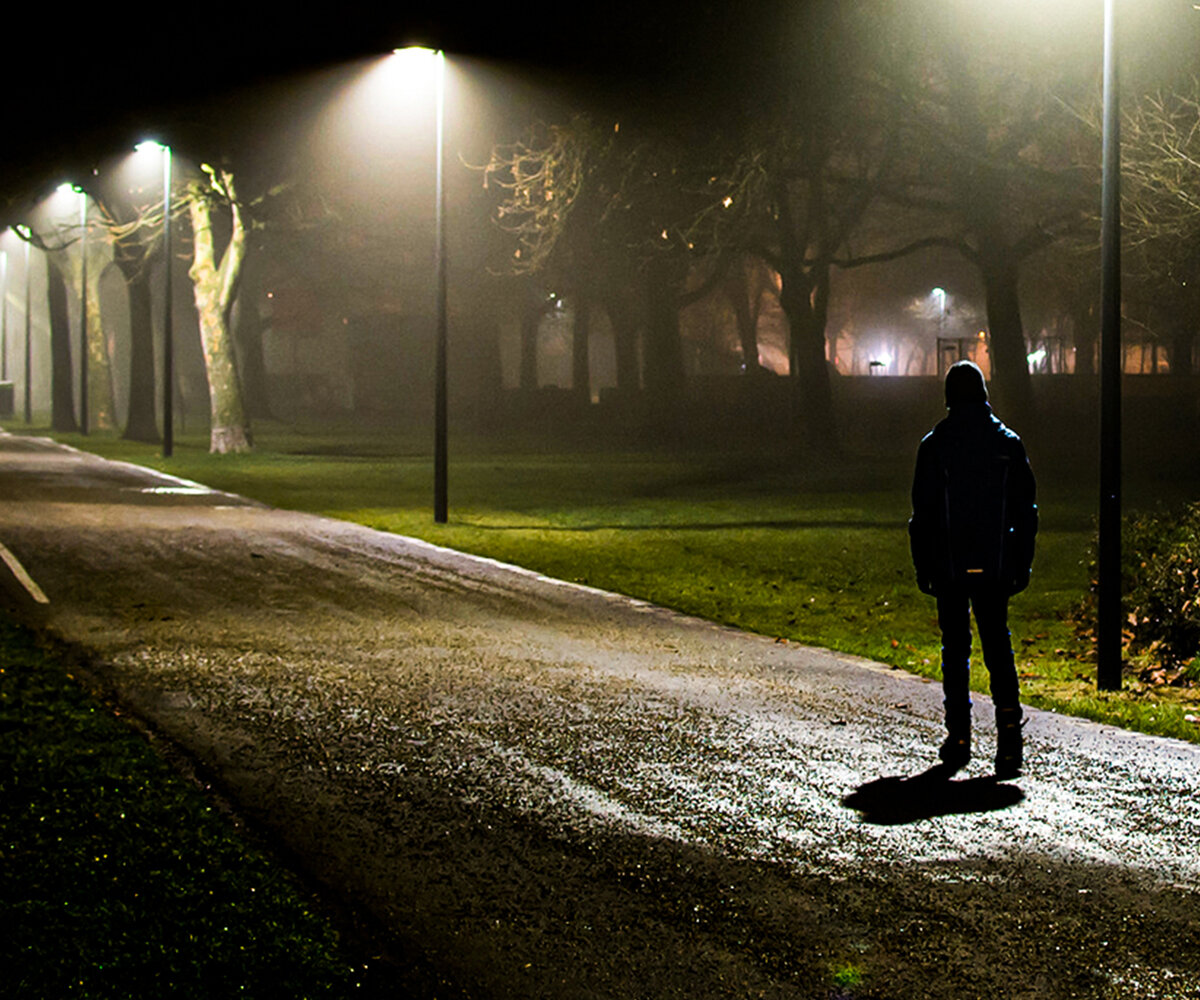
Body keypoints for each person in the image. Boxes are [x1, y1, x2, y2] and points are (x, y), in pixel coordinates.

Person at [908, 361, 1038, 779]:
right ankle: (1009, 738)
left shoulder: (935, 445)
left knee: (955, 647)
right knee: (997, 643)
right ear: (984, 393)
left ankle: (959, 735)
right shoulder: (1007, 443)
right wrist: (1021, 560)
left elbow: (922, 512)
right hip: (995, 558)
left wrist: (923, 564)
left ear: (949, 396)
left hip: (949, 560)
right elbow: (1026, 509)